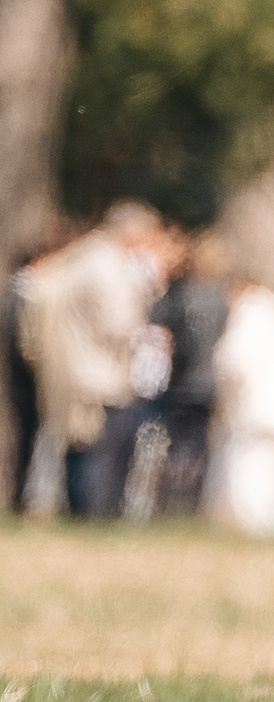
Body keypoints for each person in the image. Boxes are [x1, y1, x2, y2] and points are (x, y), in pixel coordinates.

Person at [14, 201, 164, 519]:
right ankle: (91, 515)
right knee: (96, 456)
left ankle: (83, 511)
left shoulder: (83, 256)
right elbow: (119, 324)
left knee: (80, 450)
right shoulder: (106, 264)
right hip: (99, 373)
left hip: (78, 369)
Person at [205, 264, 274, 535]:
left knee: (250, 485)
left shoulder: (251, 312)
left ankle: (256, 533)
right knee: (270, 484)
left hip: (259, 416)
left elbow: (233, 362)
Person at [145, 230, 234, 517]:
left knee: (177, 446)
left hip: (183, 383)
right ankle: (191, 503)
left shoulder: (180, 296)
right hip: (211, 384)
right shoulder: (223, 300)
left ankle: (172, 502)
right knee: (198, 448)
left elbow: (159, 325)